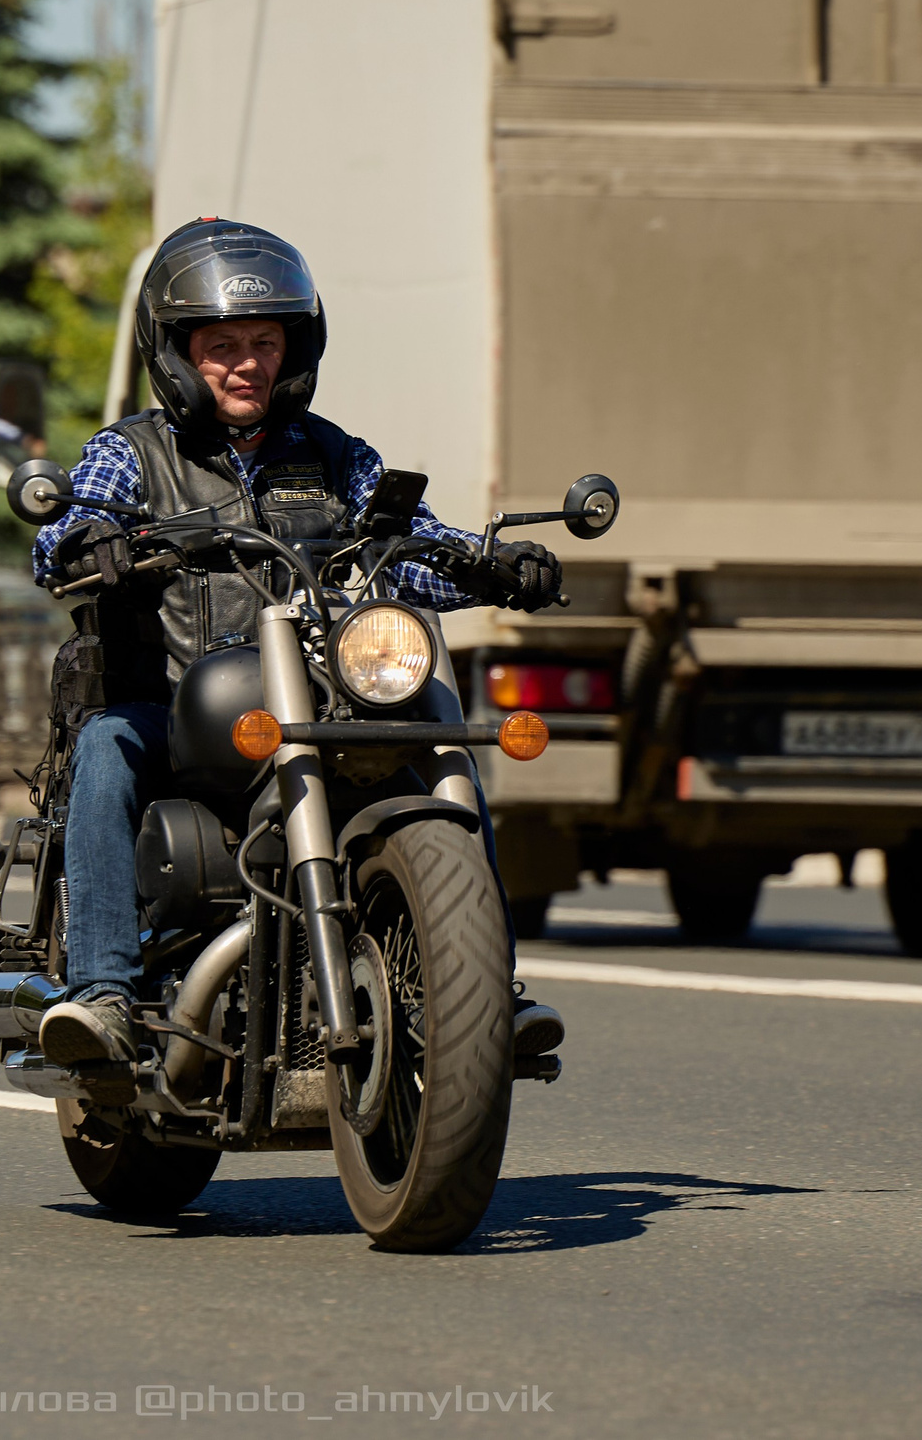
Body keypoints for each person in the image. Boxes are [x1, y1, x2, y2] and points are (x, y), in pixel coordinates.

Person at [28, 218, 563, 1071]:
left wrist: (493, 568)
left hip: (310, 698)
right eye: (222, 343)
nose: (245, 362)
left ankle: (481, 991)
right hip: (175, 707)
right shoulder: (131, 452)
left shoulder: (334, 455)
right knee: (104, 744)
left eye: (265, 341)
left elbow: (410, 544)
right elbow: (69, 526)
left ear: (295, 348)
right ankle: (102, 994)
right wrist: (90, 542)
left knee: (433, 714)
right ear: (176, 353)